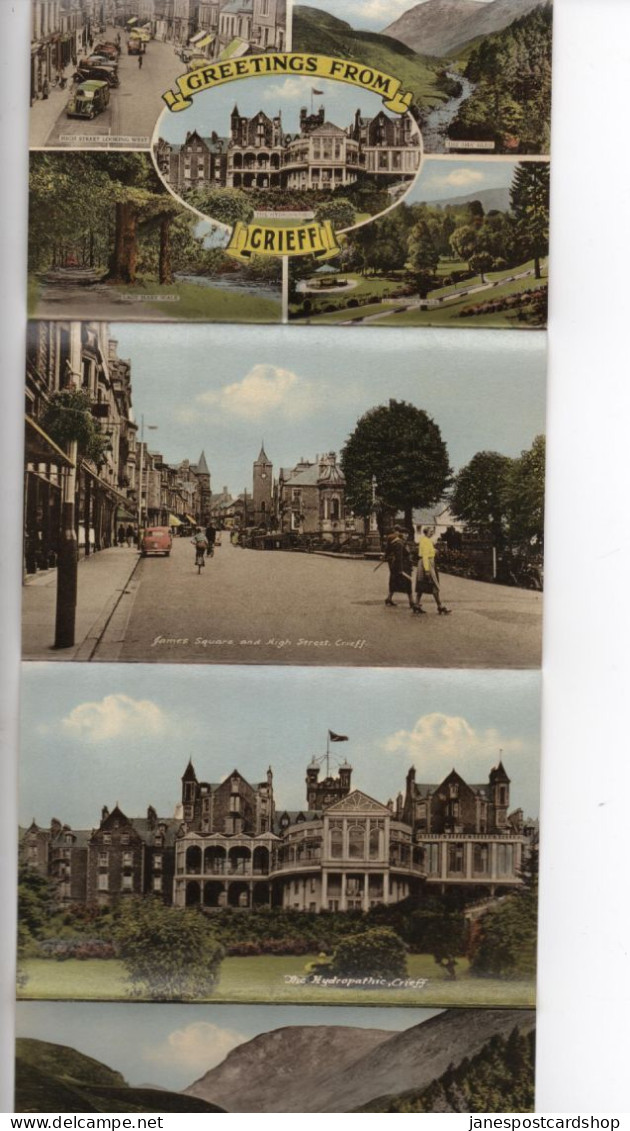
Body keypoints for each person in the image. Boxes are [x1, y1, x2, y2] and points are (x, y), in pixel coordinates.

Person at [414, 526, 450, 615]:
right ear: (426, 532)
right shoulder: (426, 541)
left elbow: (426, 551)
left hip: (424, 563)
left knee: (422, 584)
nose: (432, 533)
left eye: (433, 531)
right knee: (434, 584)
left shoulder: (425, 540)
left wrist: (433, 550)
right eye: (430, 531)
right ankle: (440, 606)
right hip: (427, 564)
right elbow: (425, 555)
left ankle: (416, 604)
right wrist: (427, 570)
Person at [384, 526, 415, 610]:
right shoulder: (399, 543)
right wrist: (400, 569)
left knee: (394, 583)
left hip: (403, 566)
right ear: (400, 534)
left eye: (407, 534)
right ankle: (411, 602)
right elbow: (399, 557)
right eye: (404, 533)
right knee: (407, 583)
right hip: (401, 567)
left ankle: (389, 599)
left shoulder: (402, 542)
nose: (406, 535)